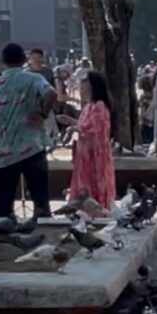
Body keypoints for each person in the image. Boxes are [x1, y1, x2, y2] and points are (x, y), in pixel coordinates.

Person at [0, 42, 57, 219]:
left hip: (4, 153)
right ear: (23, 60)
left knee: (3, 208)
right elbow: (52, 93)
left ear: (3, 62)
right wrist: (42, 113)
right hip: (33, 147)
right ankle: (42, 227)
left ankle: (5, 229)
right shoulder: (34, 79)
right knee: (41, 204)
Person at [57, 70, 117, 210]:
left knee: (95, 182)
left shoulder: (99, 106)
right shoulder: (89, 106)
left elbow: (94, 129)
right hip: (85, 154)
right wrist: (70, 121)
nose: (81, 86)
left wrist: (74, 128)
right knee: (85, 183)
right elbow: (84, 125)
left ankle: (97, 209)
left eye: (84, 83)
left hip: (95, 154)